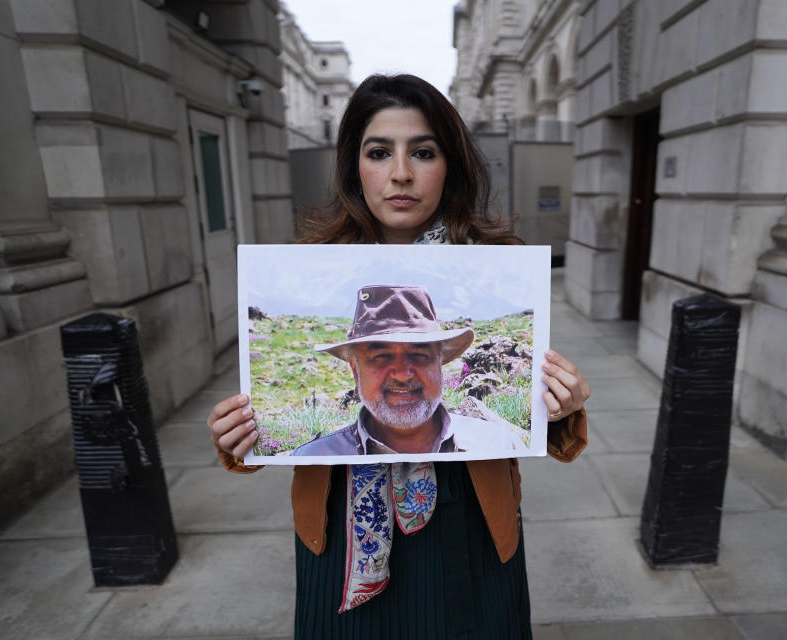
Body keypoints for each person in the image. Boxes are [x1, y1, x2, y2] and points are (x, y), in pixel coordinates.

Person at [207, 74, 591, 639]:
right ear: (353, 167)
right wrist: (242, 433)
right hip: (340, 531)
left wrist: (563, 406)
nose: (402, 173)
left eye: (424, 152)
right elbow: (274, 430)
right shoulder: (311, 264)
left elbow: (537, 418)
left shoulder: (496, 263)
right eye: (379, 152)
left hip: (470, 522)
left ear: (450, 165)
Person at [291, 283, 528, 456]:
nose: (403, 374)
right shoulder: (315, 458)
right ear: (355, 370)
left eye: (419, 355)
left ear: (440, 363)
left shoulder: (499, 444)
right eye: (381, 357)